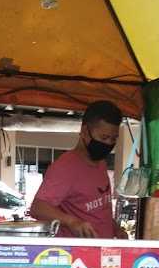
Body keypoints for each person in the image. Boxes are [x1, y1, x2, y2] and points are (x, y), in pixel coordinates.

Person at [30, 100, 128, 238]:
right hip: (78, 255)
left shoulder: (101, 163)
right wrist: (72, 222)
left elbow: (98, 211)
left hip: (103, 252)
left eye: (113, 139)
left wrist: (116, 228)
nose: (108, 144)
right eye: (104, 137)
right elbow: (38, 208)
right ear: (84, 131)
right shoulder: (65, 167)